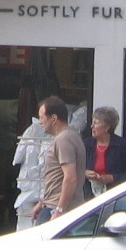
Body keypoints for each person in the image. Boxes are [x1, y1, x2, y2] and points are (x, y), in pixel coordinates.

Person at [28, 96, 86, 225]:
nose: (40, 122)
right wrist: (42, 203)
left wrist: (59, 210)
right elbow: (57, 178)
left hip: (57, 209)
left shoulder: (63, 140)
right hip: (53, 205)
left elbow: (70, 177)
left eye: (42, 117)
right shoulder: (72, 136)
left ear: (53, 119)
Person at [82, 105, 126, 198]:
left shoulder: (121, 145)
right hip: (89, 198)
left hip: (115, 196)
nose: (92, 126)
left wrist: (112, 178)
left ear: (107, 127)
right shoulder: (87, 144)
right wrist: (84, 172)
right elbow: (75, 169)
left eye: (96, 123)